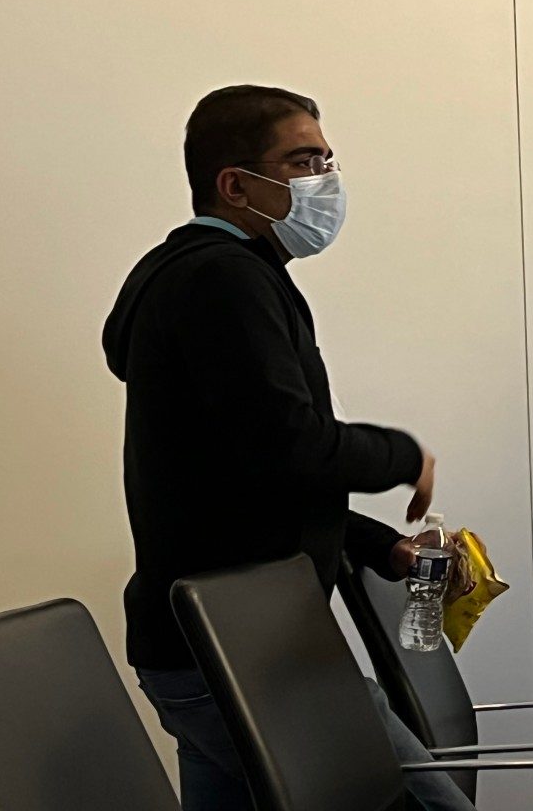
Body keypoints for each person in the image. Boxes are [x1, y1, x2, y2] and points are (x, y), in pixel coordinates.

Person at [102, 85, 473, 811]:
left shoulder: (204, 277)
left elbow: (241, 473)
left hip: (217, 643)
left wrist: (372, 545)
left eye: (328, 160)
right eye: (304, 162)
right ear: (236, 185)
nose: (326, 182)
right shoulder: (222, 279)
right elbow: (292, 446)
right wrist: (403, 456)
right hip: (244, 654)